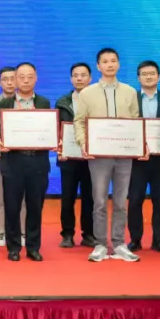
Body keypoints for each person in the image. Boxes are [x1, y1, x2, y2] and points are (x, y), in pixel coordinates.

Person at [73, 48, 142, 263]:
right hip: (99, 155)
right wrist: (83, 143)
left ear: (118, 64)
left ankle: (119, 243)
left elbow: (135, 121)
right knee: (100, 201)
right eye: (105, 61)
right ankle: (100, 244)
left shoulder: (130, 92)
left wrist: (138, 144)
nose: (109, 64)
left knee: (121, 201)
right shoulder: (87, 93)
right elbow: (79, 121)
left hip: (124, 155)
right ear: (98, 66)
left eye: (113, 61)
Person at [0, 62, 52, 262]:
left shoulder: (43, 102)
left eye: (30, 76)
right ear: (15, 79)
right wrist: (0, 139)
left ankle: (33, 247)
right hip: (13, 162)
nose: (25, 80)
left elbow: (50, 127)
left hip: (37, 162)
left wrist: (53, 139)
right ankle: (14, 247)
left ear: (36, 79)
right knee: (12, 207)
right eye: (21, 77)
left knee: (35, 207)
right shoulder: (5, 104)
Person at [128, 60, 160, 253]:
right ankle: (135, 240)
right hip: (137, 160)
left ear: (159, 77)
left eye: (152, 73)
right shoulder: (131, 100)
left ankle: (158, 240)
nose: (148, 77)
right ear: (138, 78)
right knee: (135, 200)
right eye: (144, 74)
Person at [56, 63, 97, 249]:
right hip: (69, 159)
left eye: (83, 75)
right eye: (75, 75)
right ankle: (67, 234)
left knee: (90, 198)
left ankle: (88, 234)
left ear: (90, 78)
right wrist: (58, 146)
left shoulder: (97, 100)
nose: (79, 78)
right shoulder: (62, 102)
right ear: (71, 78)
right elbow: (56, 128)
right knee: (67, 198)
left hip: (92, 159)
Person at [0, 66, 23, 247]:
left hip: (22, 157)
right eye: (5, 79)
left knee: (22, 197)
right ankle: (0, 233)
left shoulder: (25, 103)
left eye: (12, 78)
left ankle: (21, 232)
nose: (9, 82)